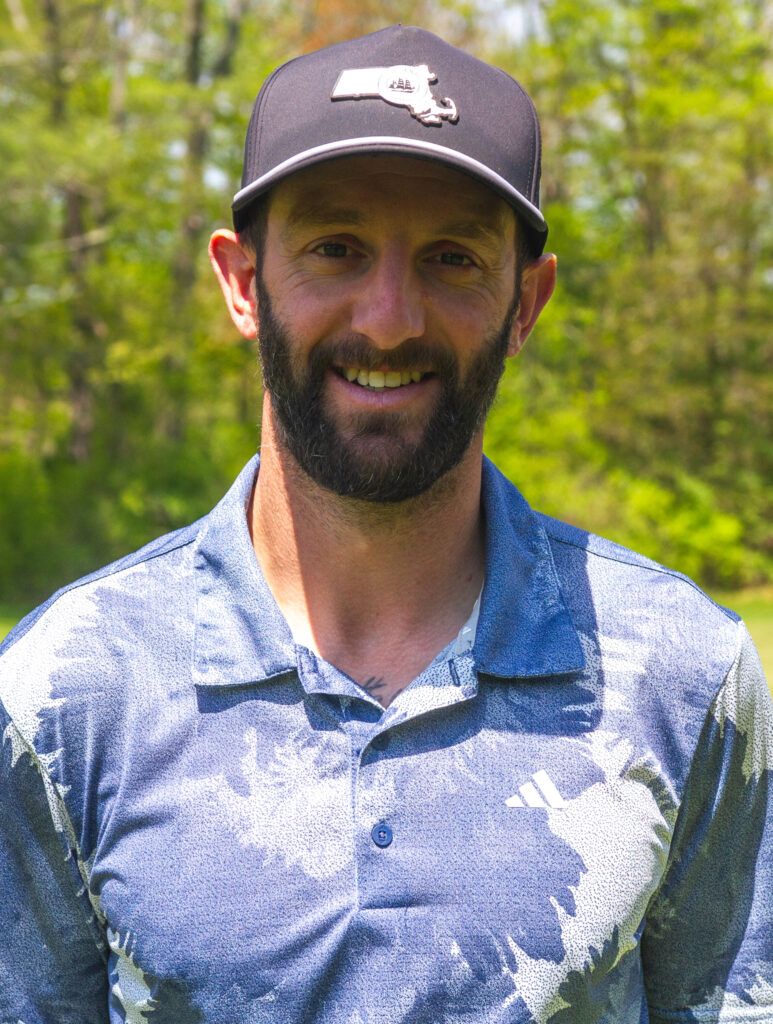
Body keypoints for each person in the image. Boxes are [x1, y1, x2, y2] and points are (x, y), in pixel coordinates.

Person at [0, 24, 771, 1024]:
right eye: (335, 248)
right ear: (242, 281)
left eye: (452, 258)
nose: (390, 318)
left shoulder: (683, 679)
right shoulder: (65, 698)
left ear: (524, 303)